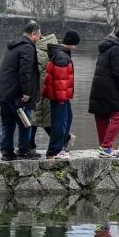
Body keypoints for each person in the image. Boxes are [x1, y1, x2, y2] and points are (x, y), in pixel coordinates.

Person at [0, 21, 43, 161]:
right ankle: (24, 150)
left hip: (3, 92)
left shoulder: (14, 45)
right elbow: (25, 71)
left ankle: (7, 152)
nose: (40, 38)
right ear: (33, 34)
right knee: (25, 123)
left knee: (7, 123)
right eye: (39, 35)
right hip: (16, 93)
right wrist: (26, 92)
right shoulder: (28, 47)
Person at [89, 25, 119, 157]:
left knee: (102, 116)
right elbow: (118, 72)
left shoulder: (106, 46)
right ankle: (106, 146)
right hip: (110, 88)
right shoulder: (117, 49)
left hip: (98, 87)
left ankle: (103, 147)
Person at [42, 30, 79, 159]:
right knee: (59, 123)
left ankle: (60, 148)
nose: (75, 47)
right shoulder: (62, 57)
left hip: (61, 96)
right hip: (60, 96)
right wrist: (61, 98)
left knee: (67, 118)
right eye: (75, 44)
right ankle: (54, 151)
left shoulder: (61, 54)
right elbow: (60, 79)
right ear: (72, 43)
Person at [28, 30, 59, 155]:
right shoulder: (50, 49)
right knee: (41, 119)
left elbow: (37, 72)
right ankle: (63, 140)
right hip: (47, 89)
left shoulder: (38, 51)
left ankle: (30, 146)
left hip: (39, 90)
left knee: (34, 119)